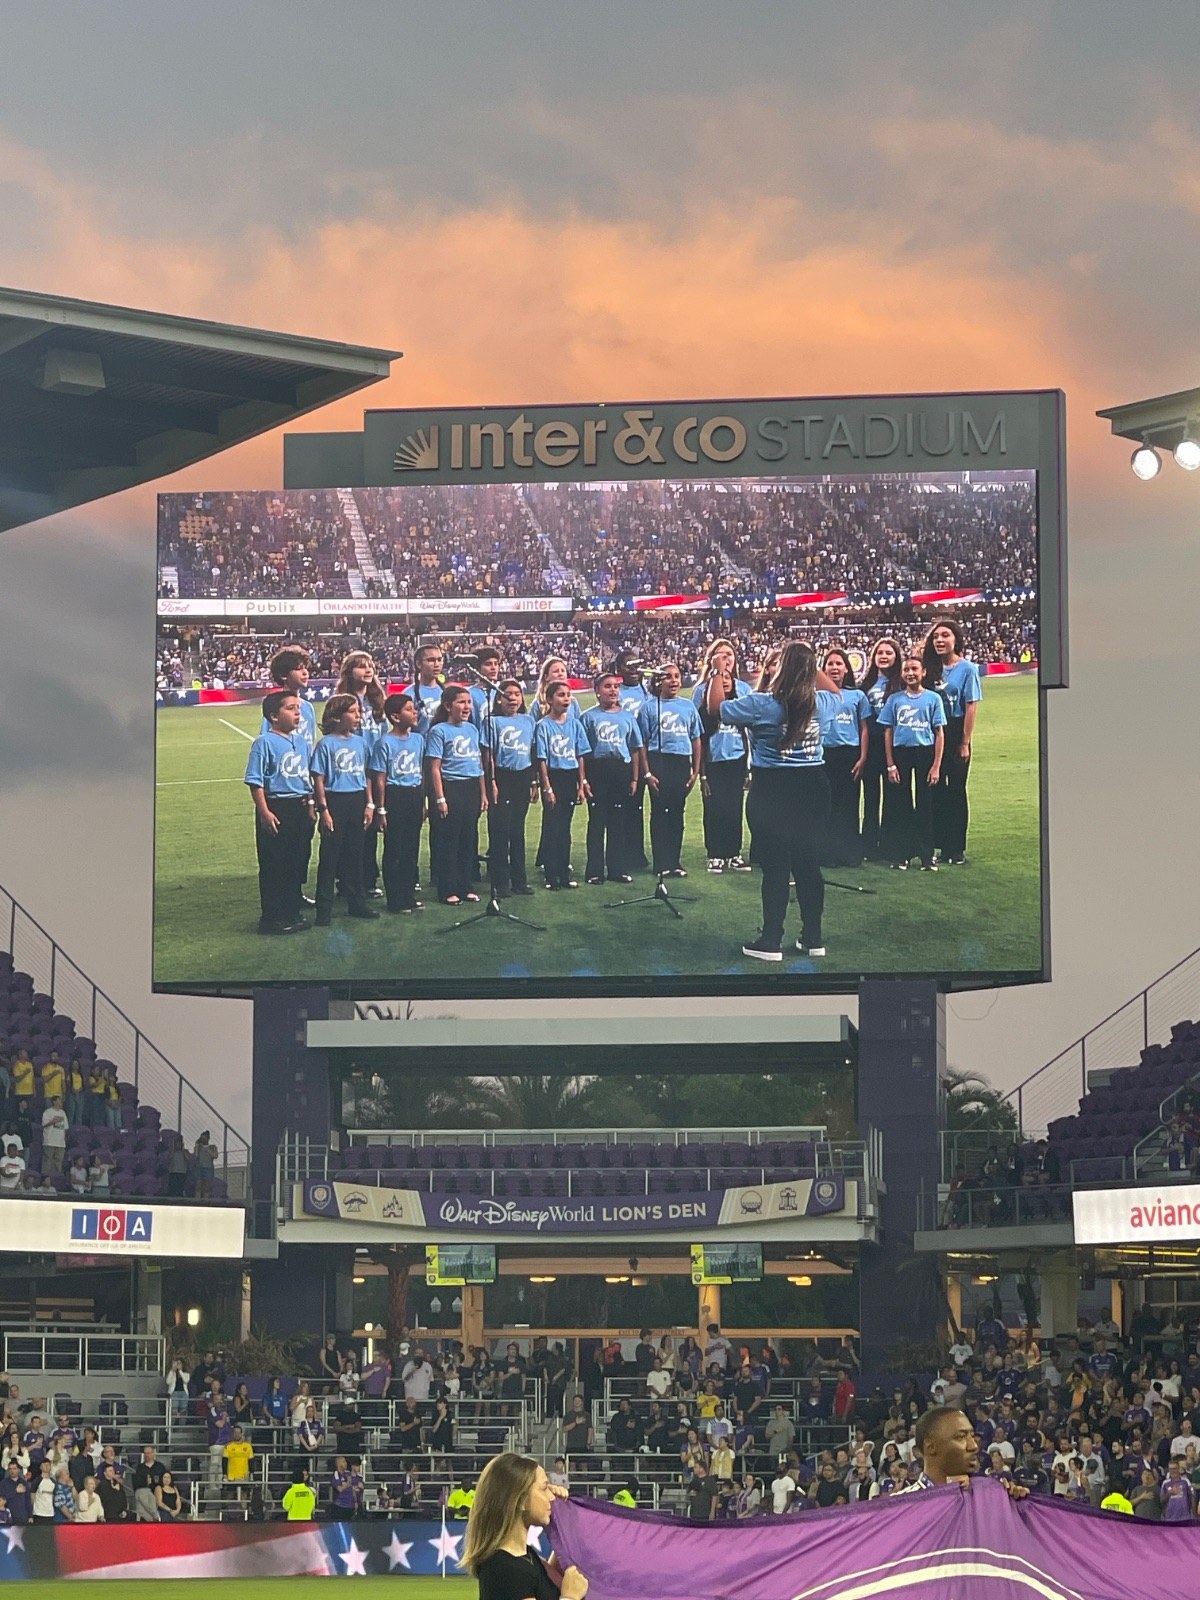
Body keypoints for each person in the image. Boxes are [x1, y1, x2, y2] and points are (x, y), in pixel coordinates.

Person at [708, 640, 839, 960]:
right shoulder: (820, 703)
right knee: (808, 863)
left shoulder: (760, 703)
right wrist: (809, 662)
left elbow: (716, 709)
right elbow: (836, 692)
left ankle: (771, 940)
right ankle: (813, 938)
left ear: (780, 669)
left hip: (772, 789)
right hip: (814, 785)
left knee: (776, 866)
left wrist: (717, 672)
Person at [462, 1453, 587, 1600]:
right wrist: (570, 1597)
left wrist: (560, 1518)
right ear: (520, 1500)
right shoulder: (505, 1568)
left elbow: (561, 1578)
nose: (552, 1496)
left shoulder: (526, 1557)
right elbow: (567, 1590)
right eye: (544, 1488)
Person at [244, 688, 316, 935]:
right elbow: (256, 781)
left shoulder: (303, 743)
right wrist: (264, 812)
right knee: (275, 863)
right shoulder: (264, 743)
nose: (298, 713)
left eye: (298, 708)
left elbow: (306, 778)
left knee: (296, 860)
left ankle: (291, 911)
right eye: (291, 708)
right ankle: (272, 918)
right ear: (274, 716)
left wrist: (310, 804)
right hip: (277, 807)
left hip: (299, 807)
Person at [310, 694, 380, 926]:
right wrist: (324, 810)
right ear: (338, 717)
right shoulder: (326, 744)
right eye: (352, 712)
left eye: (359, 712)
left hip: (357, 800)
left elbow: (366, 775)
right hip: (335, 801)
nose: (358, 716)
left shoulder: (361, 743)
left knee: (355, 855)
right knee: (330, 857)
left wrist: (369, 804)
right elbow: (319, 779)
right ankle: (324, 908)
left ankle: (356, 903)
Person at [922, 616, 982, 865]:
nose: (939, 640)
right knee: (935, 790)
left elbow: (970, 706)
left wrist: (965, 741)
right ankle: (939, 846)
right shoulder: (929, 667)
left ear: (956, 639)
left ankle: (956, 848)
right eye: (936, 636)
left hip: (956, 731)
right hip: (934, 732)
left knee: (956, 791)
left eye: (945, 635)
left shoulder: (967, 669)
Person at [878, 655, 946, 871]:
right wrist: (890, 763)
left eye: (914, 669)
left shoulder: (933, 699)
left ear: (923, 672)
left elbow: (939, 733)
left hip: (924, 752)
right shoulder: (895, 700)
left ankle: (927, 855)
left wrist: (936, 766)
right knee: (901, 805)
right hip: (901, 753)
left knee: (925, 805)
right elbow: (888, 732)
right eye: (906, 669)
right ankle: (902, 854)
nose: (910, 673)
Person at [692, 638, 751, 874]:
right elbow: (697, 730)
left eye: (729, 654)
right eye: (720, 654)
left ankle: (734, 852)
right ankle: (715, 853)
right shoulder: (701, 690)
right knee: (714, 805)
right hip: (713, 759)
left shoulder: (744, 689)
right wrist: (701, 771)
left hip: (737, 757)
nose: (725, 659)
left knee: (735, 806)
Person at [637, 663, 702, 878]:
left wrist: (695, 771)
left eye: (677, 676)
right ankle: (660, 862)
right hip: (658, 760)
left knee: (677, 812)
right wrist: (647, 773)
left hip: (681, 762)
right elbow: (643, 743)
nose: (673, 680)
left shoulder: (688, 706)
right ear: (659, 681)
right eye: (668, 677)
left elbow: (696, 738)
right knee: (659, 813)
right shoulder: (648, 707)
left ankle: (674, 861)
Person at [427, 685, 489, 906]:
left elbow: (478, 763)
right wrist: (440, 798)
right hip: (451, 787)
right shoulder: (439, 731)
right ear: (447, 705)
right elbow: (435, 767)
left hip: (471, 787)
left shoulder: (472, 729)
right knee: (449, 841)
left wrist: (483, 792)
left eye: (469, 702)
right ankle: (447, 888)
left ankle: (466, 885)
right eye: (461, 702)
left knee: (468, 839)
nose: (466, 707)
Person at [580, 672, 643, 885]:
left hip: (621, 771)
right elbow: (582, 751)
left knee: (618, 822)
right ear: (597, 691)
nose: (613, 690)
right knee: (597, 822)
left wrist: (635, 778)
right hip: (597, 771)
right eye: (607, 686)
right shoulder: (588, 717)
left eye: (615, 686)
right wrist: (584, 780)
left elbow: (635, 749)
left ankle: (617, 868)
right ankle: (594, 871)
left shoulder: (627, 717)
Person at [369, 691, 426, 914]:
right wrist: (381, 808)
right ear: (394, 716)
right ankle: (395, 898)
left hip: (413, 794)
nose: (415, 713)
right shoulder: (385, 742)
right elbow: (380, 778)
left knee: (411, 847)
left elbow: (420, 772)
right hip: (395, 795)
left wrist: (422, 802)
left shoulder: (418, 739)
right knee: (395, 848)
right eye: (409, 709)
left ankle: (408, 894)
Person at [898, 1406, 1029, 1497]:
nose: (974, 1446)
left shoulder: (986, 1496)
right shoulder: (900, 1508)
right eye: (960, 1437)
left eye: (972, 1436)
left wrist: (1015, 1507)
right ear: (931, 1447)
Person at [484, 680, 538, 898]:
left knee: (518, 830)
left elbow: (532, 753)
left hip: (522, 777)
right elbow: (487, 756)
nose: (513, 698)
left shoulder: (528, 721)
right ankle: (500, 880)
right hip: (502, 777)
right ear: (498, 698)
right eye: (507, 694)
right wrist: (492, 782)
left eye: (517, 694)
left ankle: (519, 879)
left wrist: (534, 782)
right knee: (500, 831)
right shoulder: (492, 722)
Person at [534, 682, 589, 891]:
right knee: (552, 827)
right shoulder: (543, 726)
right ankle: (551, 874)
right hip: (553, 778)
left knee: (565, 828)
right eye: (560, 695)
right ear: (549, 699)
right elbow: (541, 759)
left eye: (568, 695)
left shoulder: (575, 724)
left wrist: (581, 783)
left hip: (570, 777)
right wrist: (546, 787)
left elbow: (580, 754)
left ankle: (564, 872)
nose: (566, 699)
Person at [820, 649, 871, 867]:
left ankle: (849, 853)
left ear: (846, 669)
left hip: (849, 754)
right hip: (824, 754)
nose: (834, 668)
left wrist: (862, 757)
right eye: (830, 664)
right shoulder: (818, 695)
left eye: (839, 664)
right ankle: (827, 854)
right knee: (826, 806)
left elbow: (864, 729)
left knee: (849, 805)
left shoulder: (857, 695)